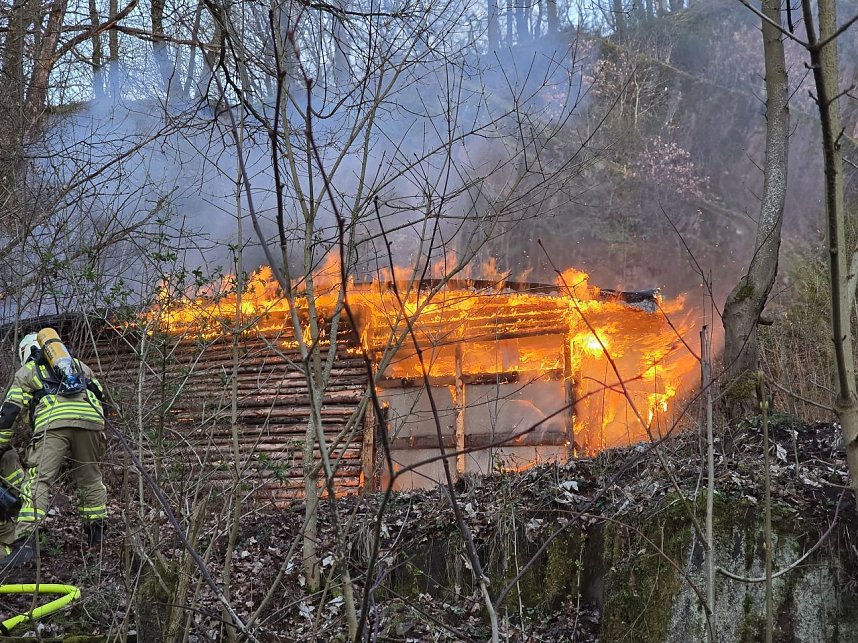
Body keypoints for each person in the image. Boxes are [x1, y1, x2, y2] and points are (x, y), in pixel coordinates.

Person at [0, 330, 108, 566]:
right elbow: (102, 396)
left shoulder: (29, 370)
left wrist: (1, 443)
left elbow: (10, 411)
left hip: (54, 423)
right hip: (91, 420)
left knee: (39, 480)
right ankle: (97, 540)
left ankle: (25, 544)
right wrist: (97, 426)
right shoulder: (79, 366)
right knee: (90, 479)